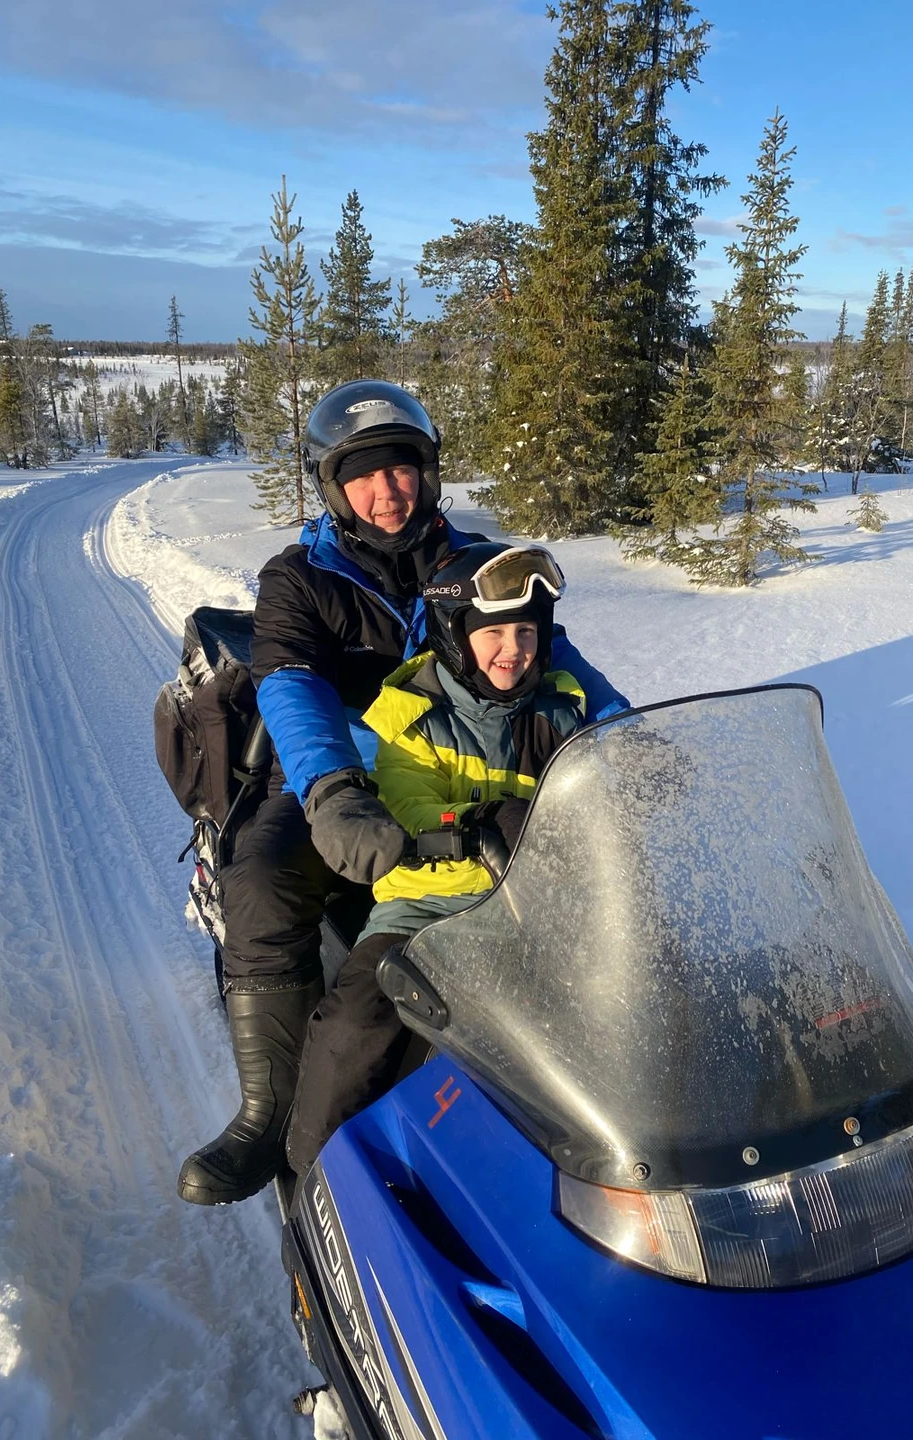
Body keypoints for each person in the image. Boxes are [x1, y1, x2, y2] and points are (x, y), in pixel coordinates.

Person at [176, 381, 629, 1207]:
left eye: (404, 469)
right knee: (265, 875)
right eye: (366, 473)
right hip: (341, 779)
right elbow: (291, 684)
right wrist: (331, 789)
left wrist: (630, 744)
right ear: (332, 483)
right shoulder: (299, 578)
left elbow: (562, 663)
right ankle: (268, 1115)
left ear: (429, 474)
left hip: (465, 780)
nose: (389, 491)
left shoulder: (473, 564)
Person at [285, 542, 588, 1177]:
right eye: (495, 633)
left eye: (528, 631)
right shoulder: (410, 716)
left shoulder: (561, 709)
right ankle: (316, 1175)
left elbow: (599, 785)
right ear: (455, 635)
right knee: (353, 1028)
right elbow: (410, 813)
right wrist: (480, 823)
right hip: (424, 913)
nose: (515, 650)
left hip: (537, 912)